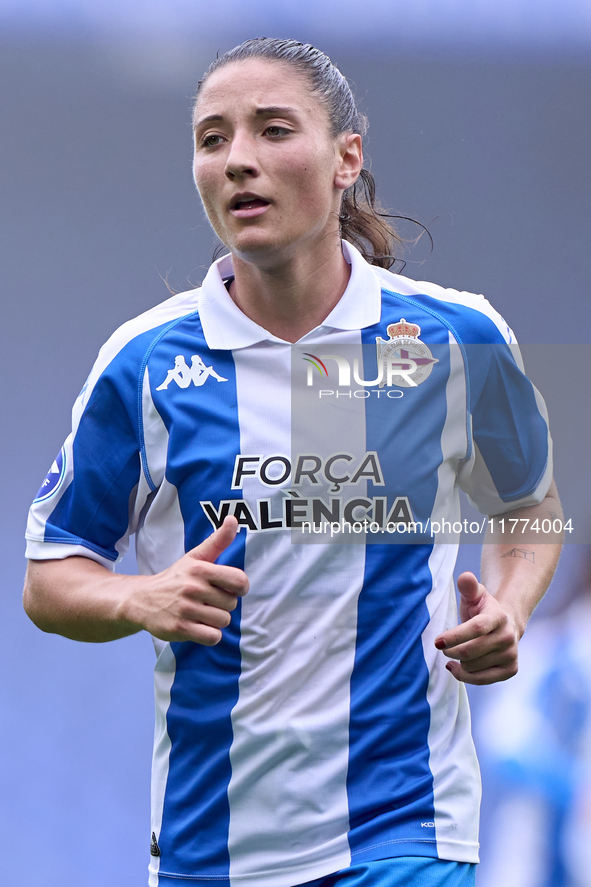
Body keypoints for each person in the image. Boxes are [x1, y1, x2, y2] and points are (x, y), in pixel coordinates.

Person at [23, 37, 562, 887]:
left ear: (347, 157)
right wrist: (140, 596)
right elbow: (51, 578)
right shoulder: (145, 363)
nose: (239, 160)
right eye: (212, 139)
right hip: (214, 841)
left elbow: (527, 509)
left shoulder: (457, 336)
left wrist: (509, 609)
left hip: (406, 826)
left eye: (273, 130)